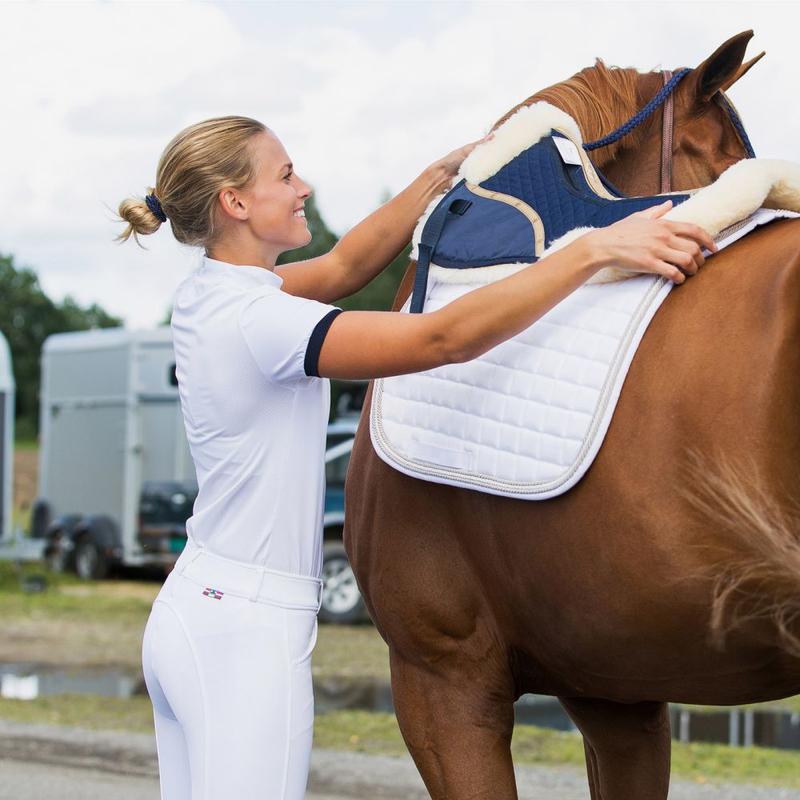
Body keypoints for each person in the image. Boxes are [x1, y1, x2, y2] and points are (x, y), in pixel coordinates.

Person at [117, 115, 714, 799]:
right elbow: (440, 340)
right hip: (245, 634)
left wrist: (443, 174)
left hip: (197, 609)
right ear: (236, 202)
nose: (303, 186)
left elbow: (346, 267)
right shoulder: (263, 321)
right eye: (285, 175)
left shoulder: (215, 294)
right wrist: (593, 252)